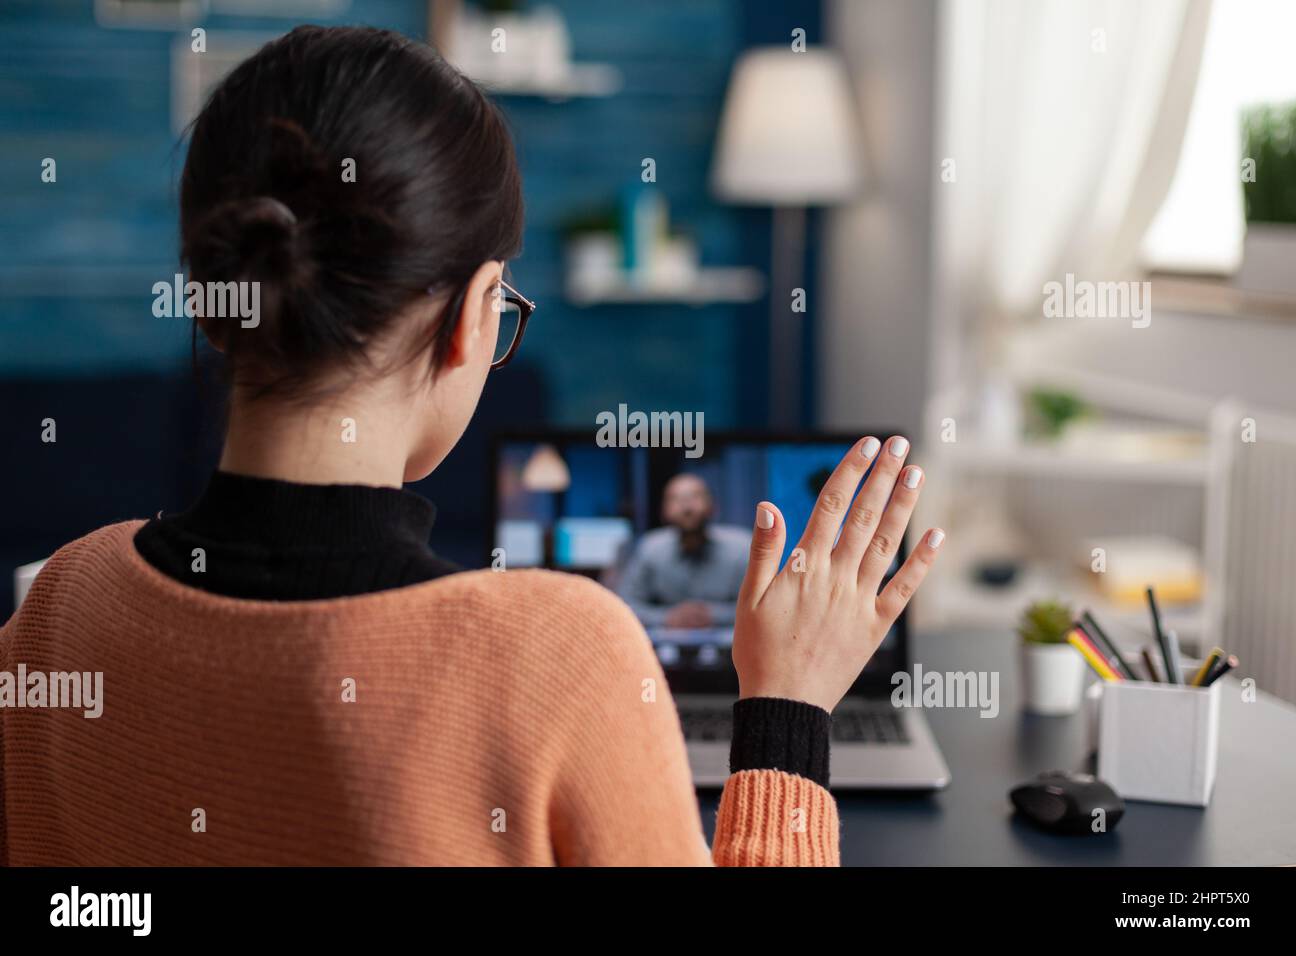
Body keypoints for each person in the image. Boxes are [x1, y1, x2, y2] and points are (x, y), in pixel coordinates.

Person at [0, 26, 943, 866]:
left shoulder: (54, 611)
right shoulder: (557, 657)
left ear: (214, 305)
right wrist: (786, 712)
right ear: (473, 318)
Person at [617, 473, 750, 628]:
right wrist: (667, 617)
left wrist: (712, 615)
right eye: (676, 499)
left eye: (695, 497)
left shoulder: (741, 548)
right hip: (665, 646)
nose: (687, 507)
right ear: (663, 511)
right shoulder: (650, 549)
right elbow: (625, 606)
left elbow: (760, 606)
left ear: (714, 507)